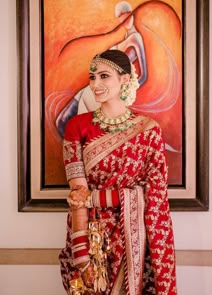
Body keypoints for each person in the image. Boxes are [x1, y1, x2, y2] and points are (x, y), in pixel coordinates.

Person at [59, 49, 177, 294]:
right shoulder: (77, 127)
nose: (95, 84)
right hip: (90, 234)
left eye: (104, 76)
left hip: (132, 235)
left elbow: (154, 193)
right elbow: (77, 192)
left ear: (125, 79)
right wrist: (80, 251)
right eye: (93, 77)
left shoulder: (148, 130)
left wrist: (93, 198)